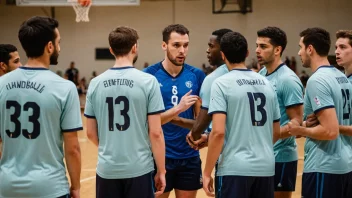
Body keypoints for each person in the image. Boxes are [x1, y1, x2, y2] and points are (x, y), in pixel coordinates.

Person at [0, 16, 82, 198]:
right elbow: (72, 148)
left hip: (7, 187)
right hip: (50, 187)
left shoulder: (1, 84)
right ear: (50, 46)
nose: (59, 48)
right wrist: (76, 187)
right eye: (58, 42)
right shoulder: (65, 88)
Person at [84, 26, 166, 198]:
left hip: (107, 169)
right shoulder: (148, 82)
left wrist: (110, 147)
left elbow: (90, 133)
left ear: (111, 50)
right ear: (135, 47)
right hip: (139, 168)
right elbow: (156, 132)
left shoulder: (95, 83)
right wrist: (162, 170)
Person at [203, 31, 281, 198]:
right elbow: (276, 132)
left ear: (223, 55)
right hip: (266, 167)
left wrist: (207, 171)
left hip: (234, 168)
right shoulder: (267, 83)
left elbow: (217, 133)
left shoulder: (221, 83)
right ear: (247, 53)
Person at [288, 27, 352, 198]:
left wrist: (300, 130)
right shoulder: (342, 78)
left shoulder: (317, 80)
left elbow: (330, 131)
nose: (299, 52)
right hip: (345, 165)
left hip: (324, 165)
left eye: (300, 47)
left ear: (310, 49)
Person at [143, 24, 205, 198]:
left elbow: (200, 120)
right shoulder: (149, 76)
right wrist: (178, 108)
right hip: (159, 156)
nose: (182, 50)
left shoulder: (197, 75)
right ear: (164, 46)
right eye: (176, 45)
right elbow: (146, 122)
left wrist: (200, 133)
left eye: (185, 45)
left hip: (189, 156)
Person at [256, 26, 304, 198]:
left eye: (263, 46)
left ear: (277, 50)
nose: (257, 50)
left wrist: (267, 136)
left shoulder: (288, 80)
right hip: (263, 155)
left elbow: (297, 123)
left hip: (281, 157)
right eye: (257, 45)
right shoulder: (261, 74)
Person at [184, 28, 233, 149]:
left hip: (228, 154)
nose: (207, 50)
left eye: (211, 46)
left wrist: (194, 135)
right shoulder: (254, 77)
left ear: (223, 50)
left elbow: (203, 121)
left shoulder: (213, 79)